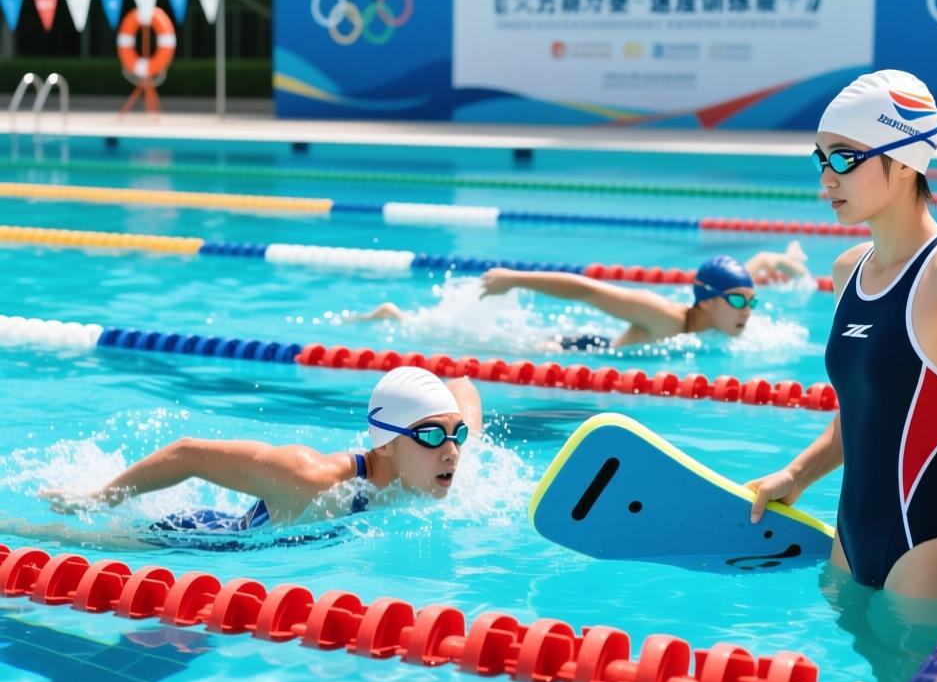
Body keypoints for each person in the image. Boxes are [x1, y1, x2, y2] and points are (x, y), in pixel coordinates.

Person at [744, 69, 937, 599]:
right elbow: (865, 412)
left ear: (906, 161)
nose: (826, 179)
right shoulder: (848, 271)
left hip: (930, 550)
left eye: (844, 158)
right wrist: (796, 475)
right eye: (821, 159)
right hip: (848, 546)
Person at [39, 367, 482, 530]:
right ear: (384, 445)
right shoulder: (311, 478)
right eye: (430, 435)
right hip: (202, 540)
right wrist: (100, 498)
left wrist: (448, 422)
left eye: (456, 435)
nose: (452, 452)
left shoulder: (440, 460)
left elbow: (464, 387)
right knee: (53, 537)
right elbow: (187, 453)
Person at [354, 248, 810, 350]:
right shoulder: (666, 318)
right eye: (739, 302)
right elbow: (586, 290)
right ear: (707, 301)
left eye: (752, 302)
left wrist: (786, 261)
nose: (748, 312)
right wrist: (515, 279)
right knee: (481, 346)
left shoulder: (718, 310)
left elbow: (753, 265)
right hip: (579, 351)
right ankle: (399, 318)